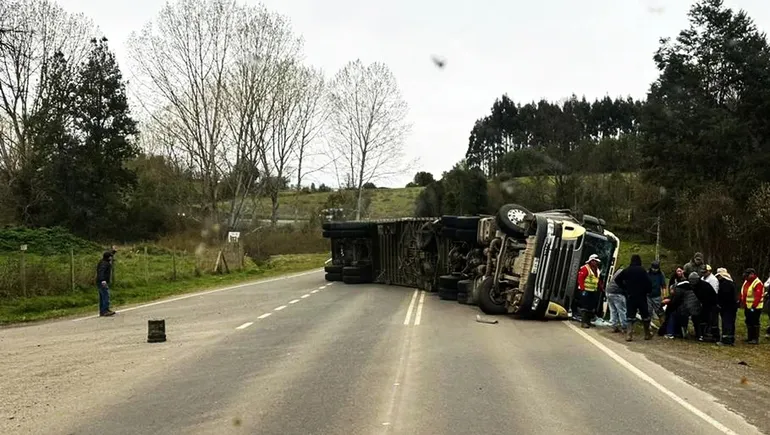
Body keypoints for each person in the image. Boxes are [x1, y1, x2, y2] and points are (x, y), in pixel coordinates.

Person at [615, 254, 653, 341]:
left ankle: (629, 335)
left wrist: (624, 288)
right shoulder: (642, 270)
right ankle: (647, 334)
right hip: (641, 296)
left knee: (630, 315)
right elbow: (649, 283)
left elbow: (617, 279)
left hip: (630, 296)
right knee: (645, 315)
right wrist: (648, 291)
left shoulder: (627, 270)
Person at [669, 272, 702, 339]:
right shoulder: (694, 285)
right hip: (697, 305)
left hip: (687, 306)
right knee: (696, 320)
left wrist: (671, 305)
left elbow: (676, 299)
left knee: (675, 314)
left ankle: (677, 333)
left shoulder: (679, 287)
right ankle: (700, 335)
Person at [577, 254, 603, 328]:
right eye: (595, 261)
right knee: (585, 307)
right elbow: (580, 279)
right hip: (585, 291)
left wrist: (601, 288)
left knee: (591, 307)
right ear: (591, 261)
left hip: (593, 290)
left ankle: (588, 322)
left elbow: (597, 279)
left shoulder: (597, 269)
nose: (597, 263)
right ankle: (584, 322)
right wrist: (582, 289)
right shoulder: (585, 268)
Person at [715, 268, 738, 346]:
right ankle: (731, 339)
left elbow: (725, 297)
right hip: (732, 307)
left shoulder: (725, 284)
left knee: (726, 323)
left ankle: (726, 340)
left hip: (727, 307)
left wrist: (720, 304)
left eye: (719, 276)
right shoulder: (731, 283)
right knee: (731, 323)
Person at [740, 268, 764, 344]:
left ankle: (755, 338)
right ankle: (750, 337)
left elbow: (758, 296)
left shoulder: (757, 283)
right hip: (748, 305)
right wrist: (741, 301)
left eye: (748, 275)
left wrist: (754, 305)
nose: (746, 276)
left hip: (756, 307)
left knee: (755, 321)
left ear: (752, 274)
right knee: (748, 321)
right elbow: (743, 292)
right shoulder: (746, 281)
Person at [697, 265, 720, 342]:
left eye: (705, 272)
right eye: (702, 272)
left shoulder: (713, 280)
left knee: (713, 320)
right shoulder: (702, 278)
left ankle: (714, 336)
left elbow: (714, 293)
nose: (703, 273)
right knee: (705, 319)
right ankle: (705, 334)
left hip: (712, 303)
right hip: (704, 302)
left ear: (709, 271)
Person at [605, 266, 627, 333]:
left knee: (613, 310)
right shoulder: (626, 273)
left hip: (608, 291)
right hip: (617, 293)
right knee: (622, 310)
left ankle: (614, 326)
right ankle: (624, 327)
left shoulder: (619, 271)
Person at [96, 251, 116, 317]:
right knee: (105, 296)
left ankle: (102, 311)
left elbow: (110, 254)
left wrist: (113, 252)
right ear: (108, 257)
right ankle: (105, 310)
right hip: (102, 282)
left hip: (100, 281)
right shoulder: (104, 264)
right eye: (110, 257)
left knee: (102, 297)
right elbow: (101, 272)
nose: (111, 258)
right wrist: (103, 280)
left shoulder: (103, 261)